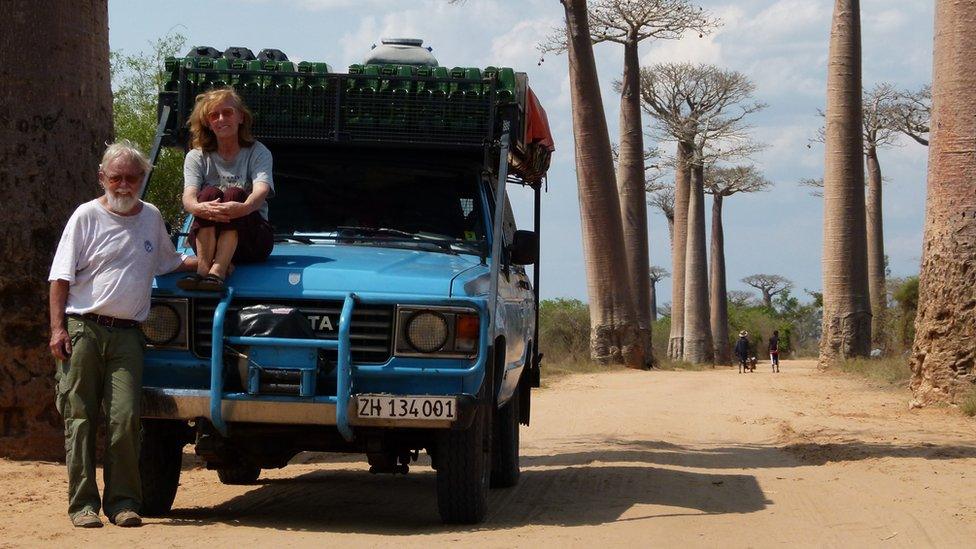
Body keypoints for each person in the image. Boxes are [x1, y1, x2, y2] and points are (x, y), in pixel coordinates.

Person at [48, 142, 197, 528]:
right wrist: (57, 329)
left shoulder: (151, 217)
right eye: (116, 177)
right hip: (84, 329)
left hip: (129, 335)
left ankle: (123, 503)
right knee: (79, 418)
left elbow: (171, 262)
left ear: (142, 179)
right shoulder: (85, 216)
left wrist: (216, 262)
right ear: (103, 178)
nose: (124, 184)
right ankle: (82, 506)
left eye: (132, 177)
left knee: (126, 419)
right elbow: (59, 277)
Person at [178, 87, 275, 292]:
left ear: (240, 117)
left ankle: (218, 271)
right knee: (208, 195)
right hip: (208, 243)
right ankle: (203, 269)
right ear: (208, 123)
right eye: (214, 115)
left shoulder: (258, 152)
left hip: (252, 241)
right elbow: (188, 198)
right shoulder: (196, 157)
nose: (221, 119)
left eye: (228, 112)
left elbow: (261, 191)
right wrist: (200, 208)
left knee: (235, 195)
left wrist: (244, 207)